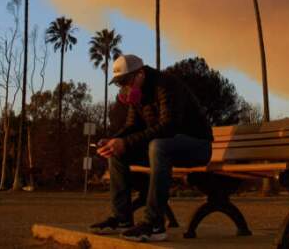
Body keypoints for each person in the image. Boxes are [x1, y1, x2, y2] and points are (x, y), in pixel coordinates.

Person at [89, 54, 212, 242]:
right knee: (118, 152)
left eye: (125, 81)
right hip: (165, 149)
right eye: (119, 83)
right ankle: (122, 219)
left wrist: (126, 142)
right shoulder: (137, 94)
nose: (123, 87)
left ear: (140, 74)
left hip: (197, 146)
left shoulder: (167, 84)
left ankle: (154, 225)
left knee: (158, 145)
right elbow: (132, 126)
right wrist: (114, 141)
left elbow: (169, 126)